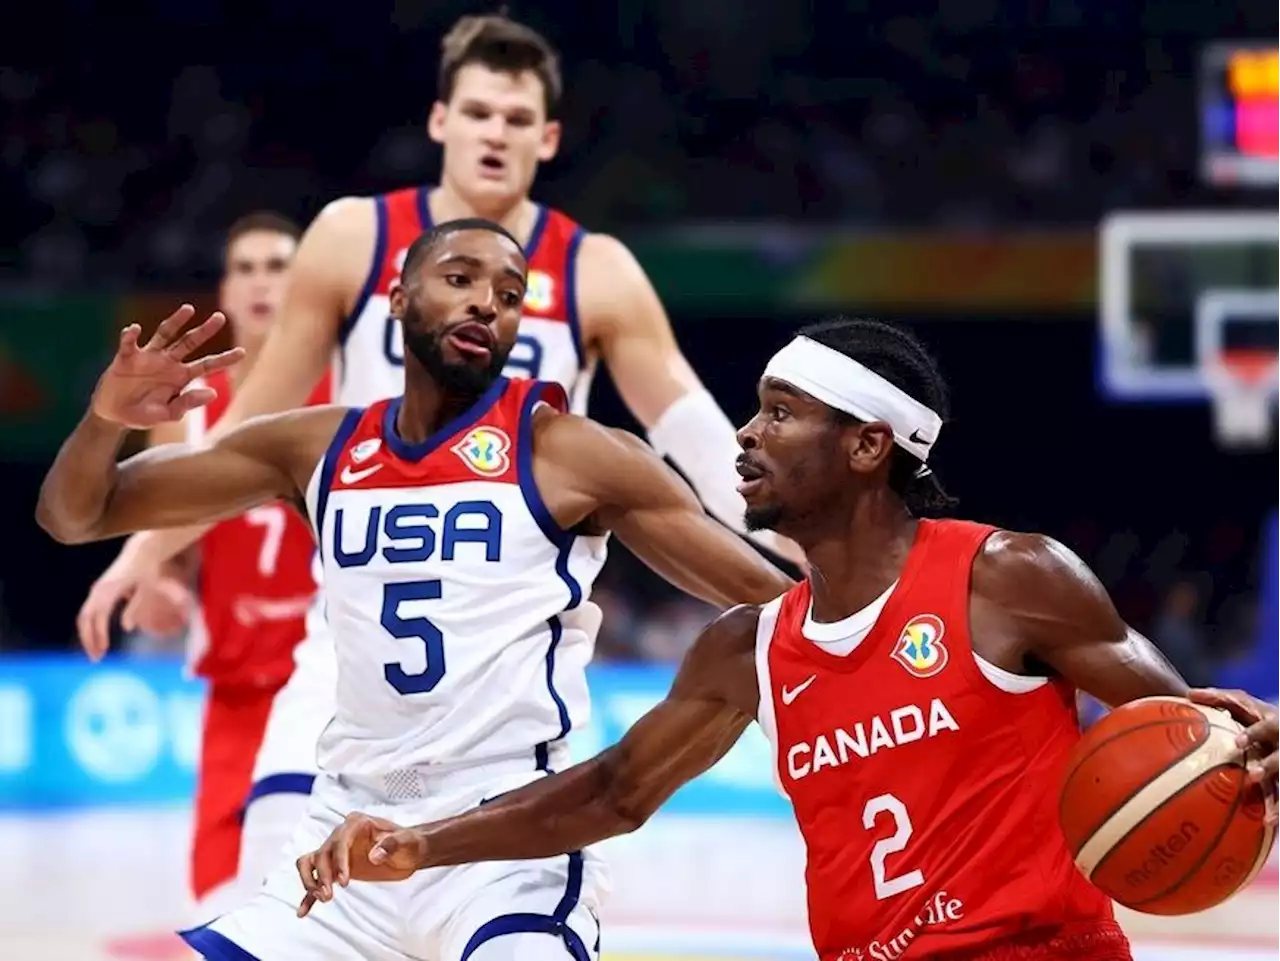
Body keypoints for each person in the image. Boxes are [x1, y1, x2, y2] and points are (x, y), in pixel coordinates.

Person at [295, 317, 1280, 961]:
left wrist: (1252, 749)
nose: (742, 435)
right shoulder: (743, 648)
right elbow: (608, 792)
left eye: (778, 412)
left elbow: (1184, 733)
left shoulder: (1006, 575)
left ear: (865, 447)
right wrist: (422, 843)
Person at [76, 10, 802, 870]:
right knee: (281, 870)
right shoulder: (354, 237)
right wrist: (142, 556)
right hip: (356, 622)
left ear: (549, 136)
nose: (496, 133)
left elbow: (691, 432)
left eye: (518, 118)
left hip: (504, 649)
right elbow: (244, 432)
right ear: (440, 120)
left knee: (476, 893)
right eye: (481, 112)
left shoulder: (594, 268)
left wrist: (810, 548)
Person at [37, 219, 794, 961]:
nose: (485, 304)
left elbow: (775, 600)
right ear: (395, 299)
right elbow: (76, 516)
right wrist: (106, 419)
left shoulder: (568, 452)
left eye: (507, 294)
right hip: (341, 846)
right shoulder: (315, 446)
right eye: (459, 279)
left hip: (505, 847)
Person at [78, 212, 329, 917]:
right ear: (225, 285)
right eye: (245, 267)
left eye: (278, 265)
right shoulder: (183, 405)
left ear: (306, 281)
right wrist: (159, 577)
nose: (261, 282)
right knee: (218, 900)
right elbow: (171, 538)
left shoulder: (349, 388)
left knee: (331, 899)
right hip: (237, 682)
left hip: (332, 681)